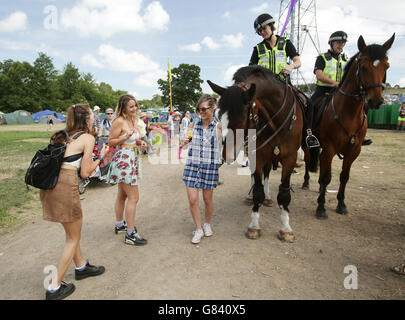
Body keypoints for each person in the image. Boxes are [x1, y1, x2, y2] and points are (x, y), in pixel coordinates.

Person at [41, 104, 108, 300]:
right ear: (86, 120)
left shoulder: (60, 135)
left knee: (72, 232)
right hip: (65, 187)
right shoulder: (87, 138)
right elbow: (86, 172)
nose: (94, 119)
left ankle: (81, 267)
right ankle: (54, 287)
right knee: (73, 238)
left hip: (49, 187)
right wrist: (101, 157)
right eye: (92, 116)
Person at [250, 13, 319, 149]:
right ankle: (249, 143)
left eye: (264, 29)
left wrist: (291, 66)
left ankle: (308, 136)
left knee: (307, 103)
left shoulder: (286, 43)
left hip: (284, 84)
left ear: (271, 26)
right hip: (264, 88)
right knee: (248, 109)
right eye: (259, 31)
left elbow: (298, 61)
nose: (262, 33)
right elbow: (251, 69)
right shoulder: (257, 49)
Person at [311, 31, 372, 145]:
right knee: (310, 107)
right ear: (331, 43)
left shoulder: (347, 59)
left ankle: (361, 134)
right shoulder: (322, 57)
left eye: (343, 43)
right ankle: (309, 134)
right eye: (338, 42)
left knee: (363, 105)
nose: (341, 45)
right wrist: (334, 83)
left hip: (341, 92)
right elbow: (319, 75)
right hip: (323, 91)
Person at [106, 94, 148, 246]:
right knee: (134, 198)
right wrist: (124, 137)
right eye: (131, 106)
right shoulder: (119, 121)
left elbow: (132, 140)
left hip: (132, 157)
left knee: (122, 195)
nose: (135, 108)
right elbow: (111, 141)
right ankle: (130, 234)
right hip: (124, 160)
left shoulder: (132, 120)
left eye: (135, 105)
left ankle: (120, 225)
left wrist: (139, 142)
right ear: (123, 108)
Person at [183, 95, 222, 244]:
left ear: (213, 108)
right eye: (198, 109)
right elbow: (185, 142)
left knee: (207, 200)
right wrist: (185, 141)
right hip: (192, 166)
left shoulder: (219, 126)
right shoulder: (193, 124)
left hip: (210, 167)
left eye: (204, 109)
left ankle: (207, 223)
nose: (201, 112)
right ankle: (198, 229)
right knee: (193, 200)